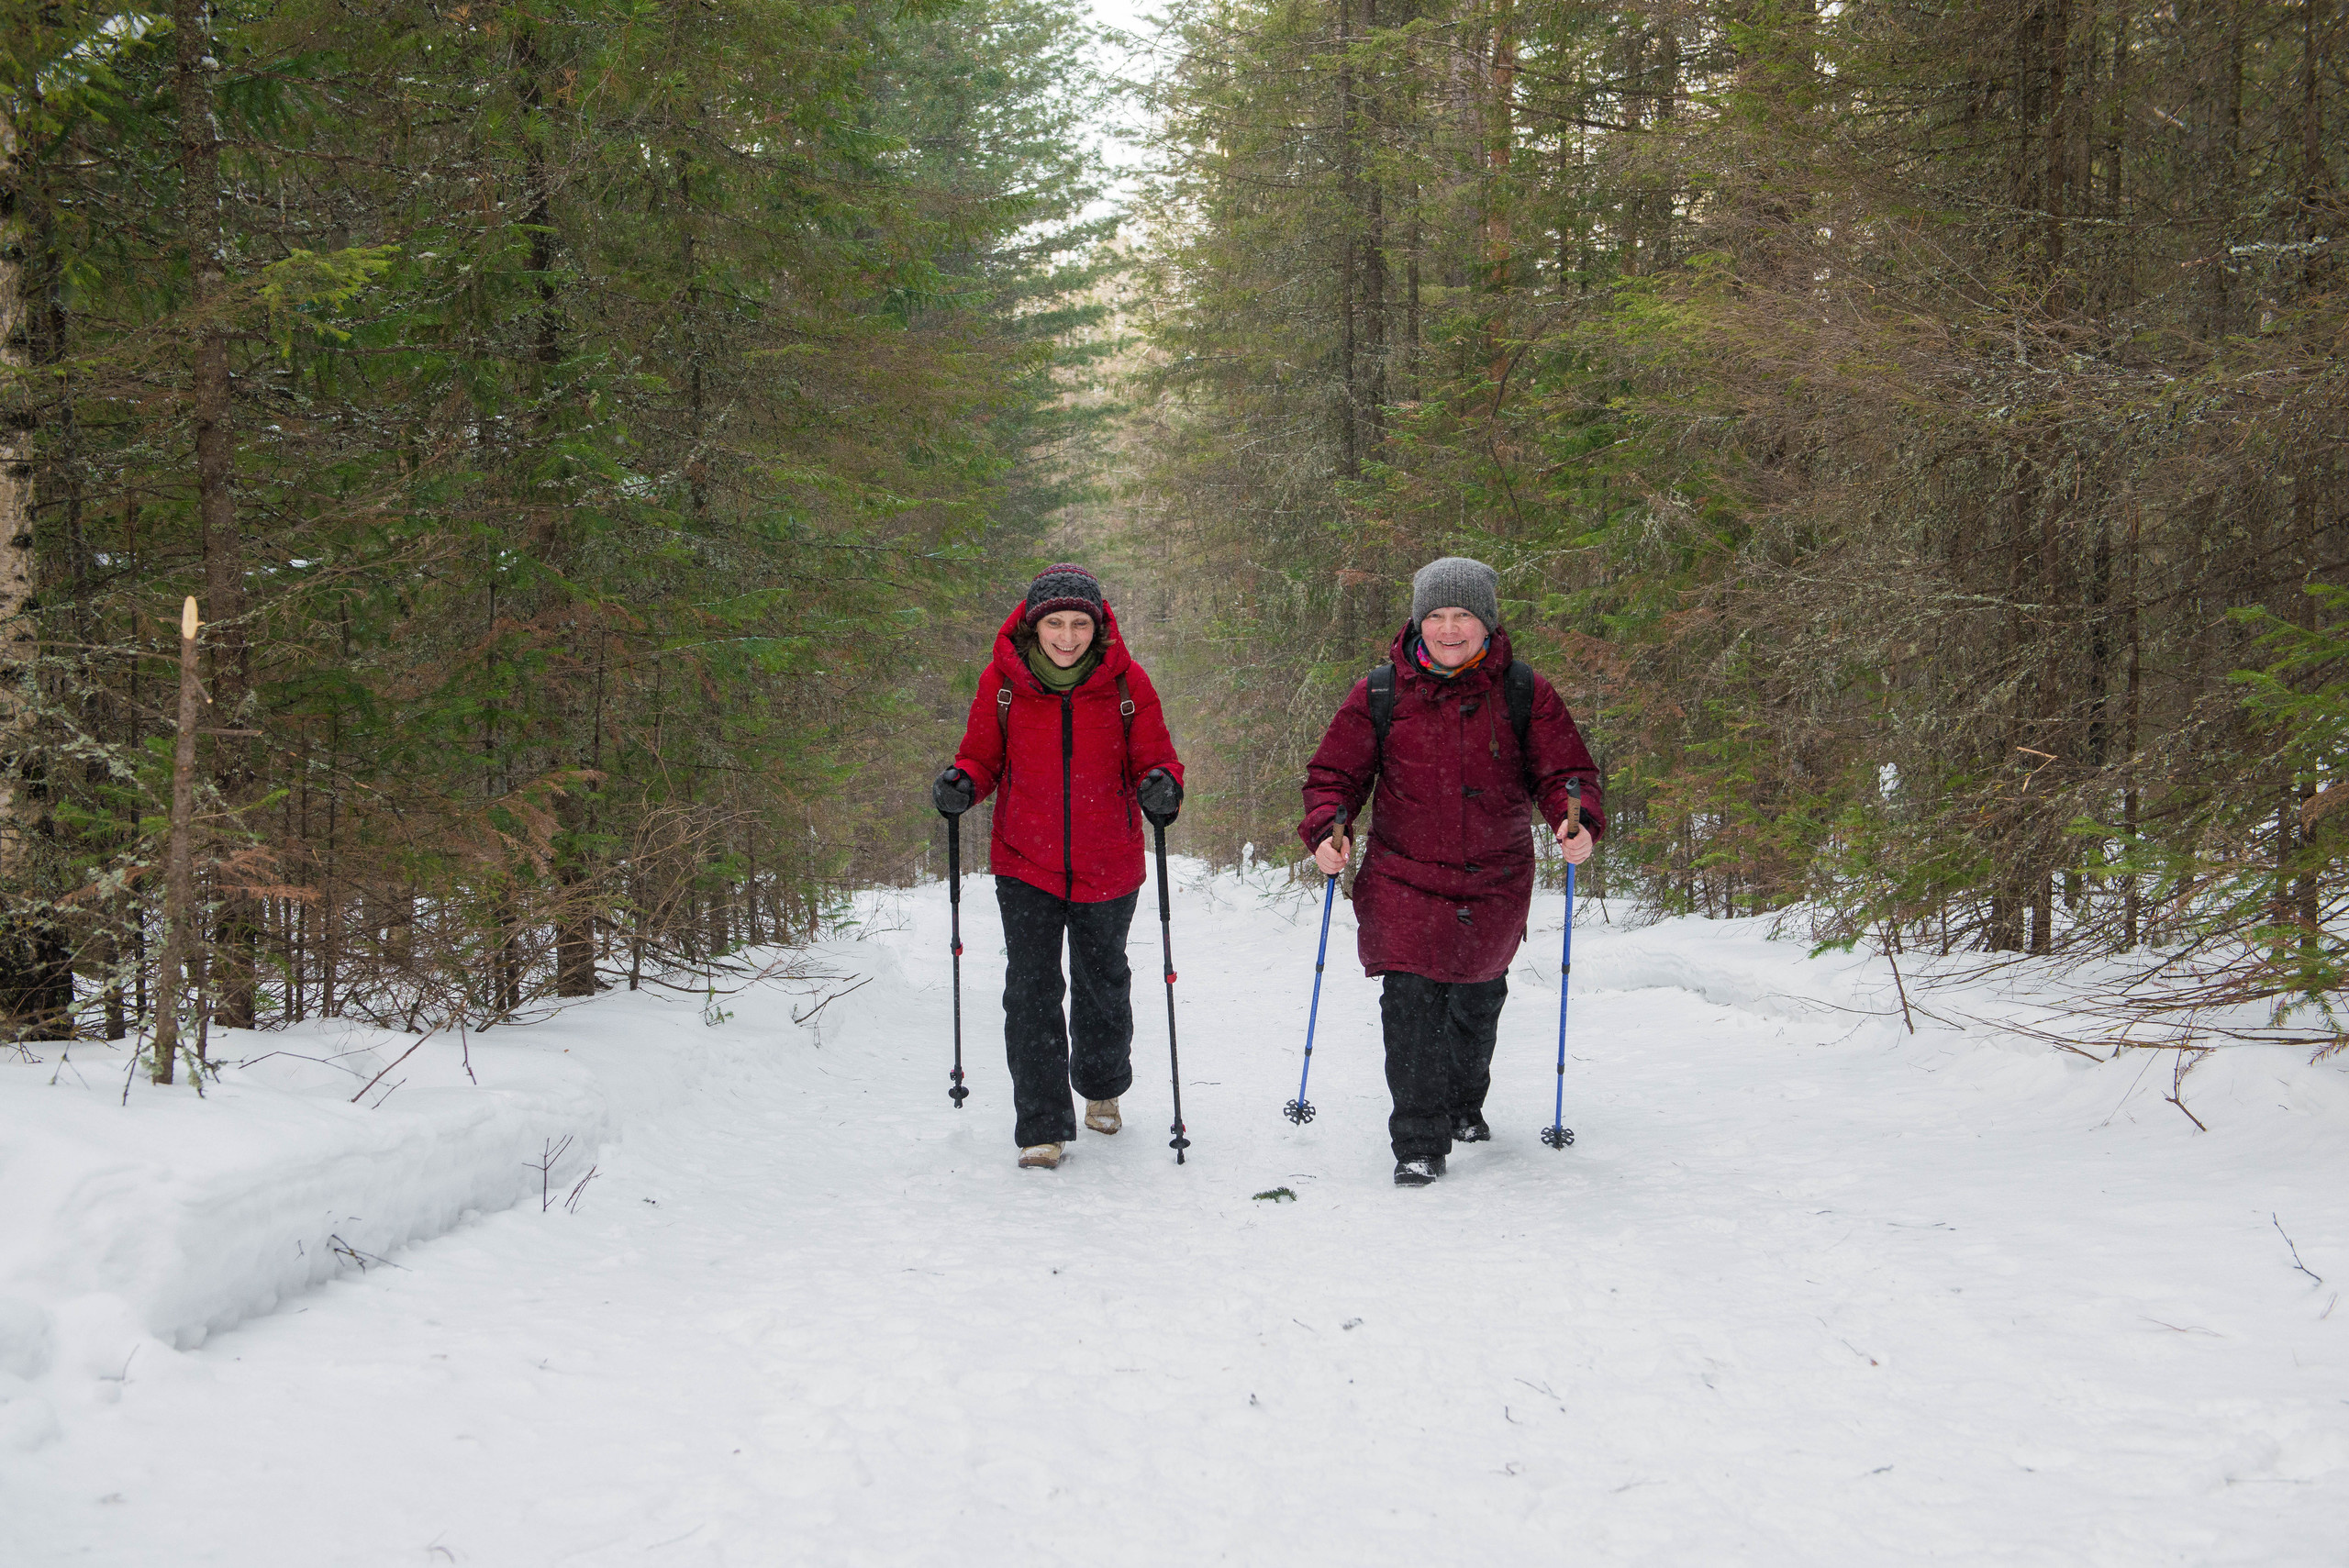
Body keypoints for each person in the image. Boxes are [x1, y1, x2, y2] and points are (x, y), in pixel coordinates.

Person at [1297, 556, 1604, 1187]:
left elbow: (1565, 774)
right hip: (1403, 877)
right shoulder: (1380, 692)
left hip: (1495, 878)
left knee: (1476, 1001)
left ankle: (1464, 1102)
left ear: (1486, 621)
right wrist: (1328, 829)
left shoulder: (1524, 691)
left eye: (1462, 614)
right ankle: (1418, 1140)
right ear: (1418, 622)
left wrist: (1575, 821)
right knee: (1409, 1002)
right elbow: (1333, 776)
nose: (1448, 628)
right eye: (1436, 615)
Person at [933, 565, 1185, 1170]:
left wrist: (1162, 786)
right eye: (1055, 624)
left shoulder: (1126, 682)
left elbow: (1157, 759)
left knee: (1103, 982)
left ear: (1097, 627)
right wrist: (963, 783)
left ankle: (1101, 1084)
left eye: (1079, 624)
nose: (1067, 636)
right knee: (1031, 991)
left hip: (1108, 861)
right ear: (1034, 625)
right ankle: (1041, 1126)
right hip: (1025, 861)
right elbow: (981, 758)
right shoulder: (1002, 683)